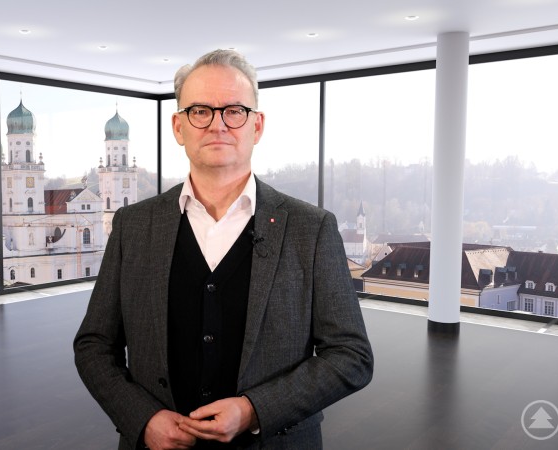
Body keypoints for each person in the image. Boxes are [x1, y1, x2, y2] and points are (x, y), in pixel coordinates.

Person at [74, 49, 373, 450]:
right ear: (179, 127)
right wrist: (141, 418)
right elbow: (94, 345)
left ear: (257, 124)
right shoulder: (133, 226)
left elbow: (351, 356)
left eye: (234, 110)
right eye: (200, 111)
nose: (218, 125)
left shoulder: (311, 228)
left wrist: (255, 410)